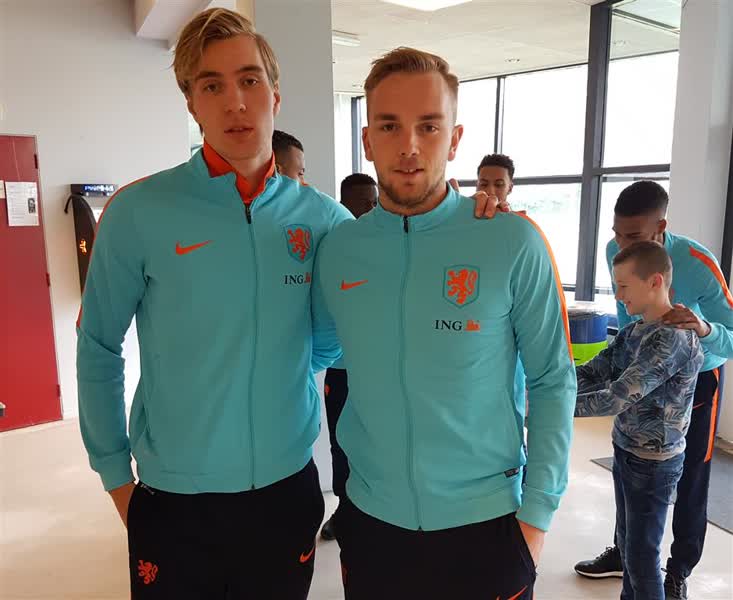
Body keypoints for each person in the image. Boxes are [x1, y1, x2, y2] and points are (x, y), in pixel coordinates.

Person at [76, 9, 351, 599]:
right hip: (173, 498)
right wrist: (116, 478)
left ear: (275, 95)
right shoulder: (139, 212)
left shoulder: (325, 220)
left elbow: (330, 343)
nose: (236, 102)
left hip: (285, 488)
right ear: (191, 104)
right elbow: (98, 345)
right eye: (212, 85)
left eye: (250, 80)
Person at [312, 47, 577, 599]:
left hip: (486, 525)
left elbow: (553, 379)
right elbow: (319, 351)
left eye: (428, 126)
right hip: (372, 521)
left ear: (454, 139)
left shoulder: (511, 241)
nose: (409, 145)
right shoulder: (340, 250)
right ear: (367, 140)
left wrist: (537, 517)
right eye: (389, 125)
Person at [574, 181, 733, 600]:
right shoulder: (621, 257)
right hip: (638, 392)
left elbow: (619, 393)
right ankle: (627, 556)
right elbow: (607, 366)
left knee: (690, 478)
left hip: (694, 378)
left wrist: (703, 329)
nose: (622, 244)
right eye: (617, 234)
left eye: (633, 236)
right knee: (634, 518)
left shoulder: (698, 263)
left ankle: (676, 570)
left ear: (660, 227)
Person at [575, 240, 704, 600]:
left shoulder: (673, 340)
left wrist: (549, 406)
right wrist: (543, 384)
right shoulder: (633, 332)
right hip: (626, 449)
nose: (618, 295)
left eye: (624, 285)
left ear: (655, 282)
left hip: (653, 464)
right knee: (629, 546)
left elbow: (617, 396)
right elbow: (592, 372)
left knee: (642, 558)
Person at [320, 173, 378, 542]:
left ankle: (374, 507)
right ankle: (344, 507)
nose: (371, 209)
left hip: (380, 369)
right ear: (344, 205)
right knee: (340, 442)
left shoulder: (390, 245)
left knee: (378, 439)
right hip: (340, 369)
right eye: (364, 202)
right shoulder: (333, 248)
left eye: (375, 201)